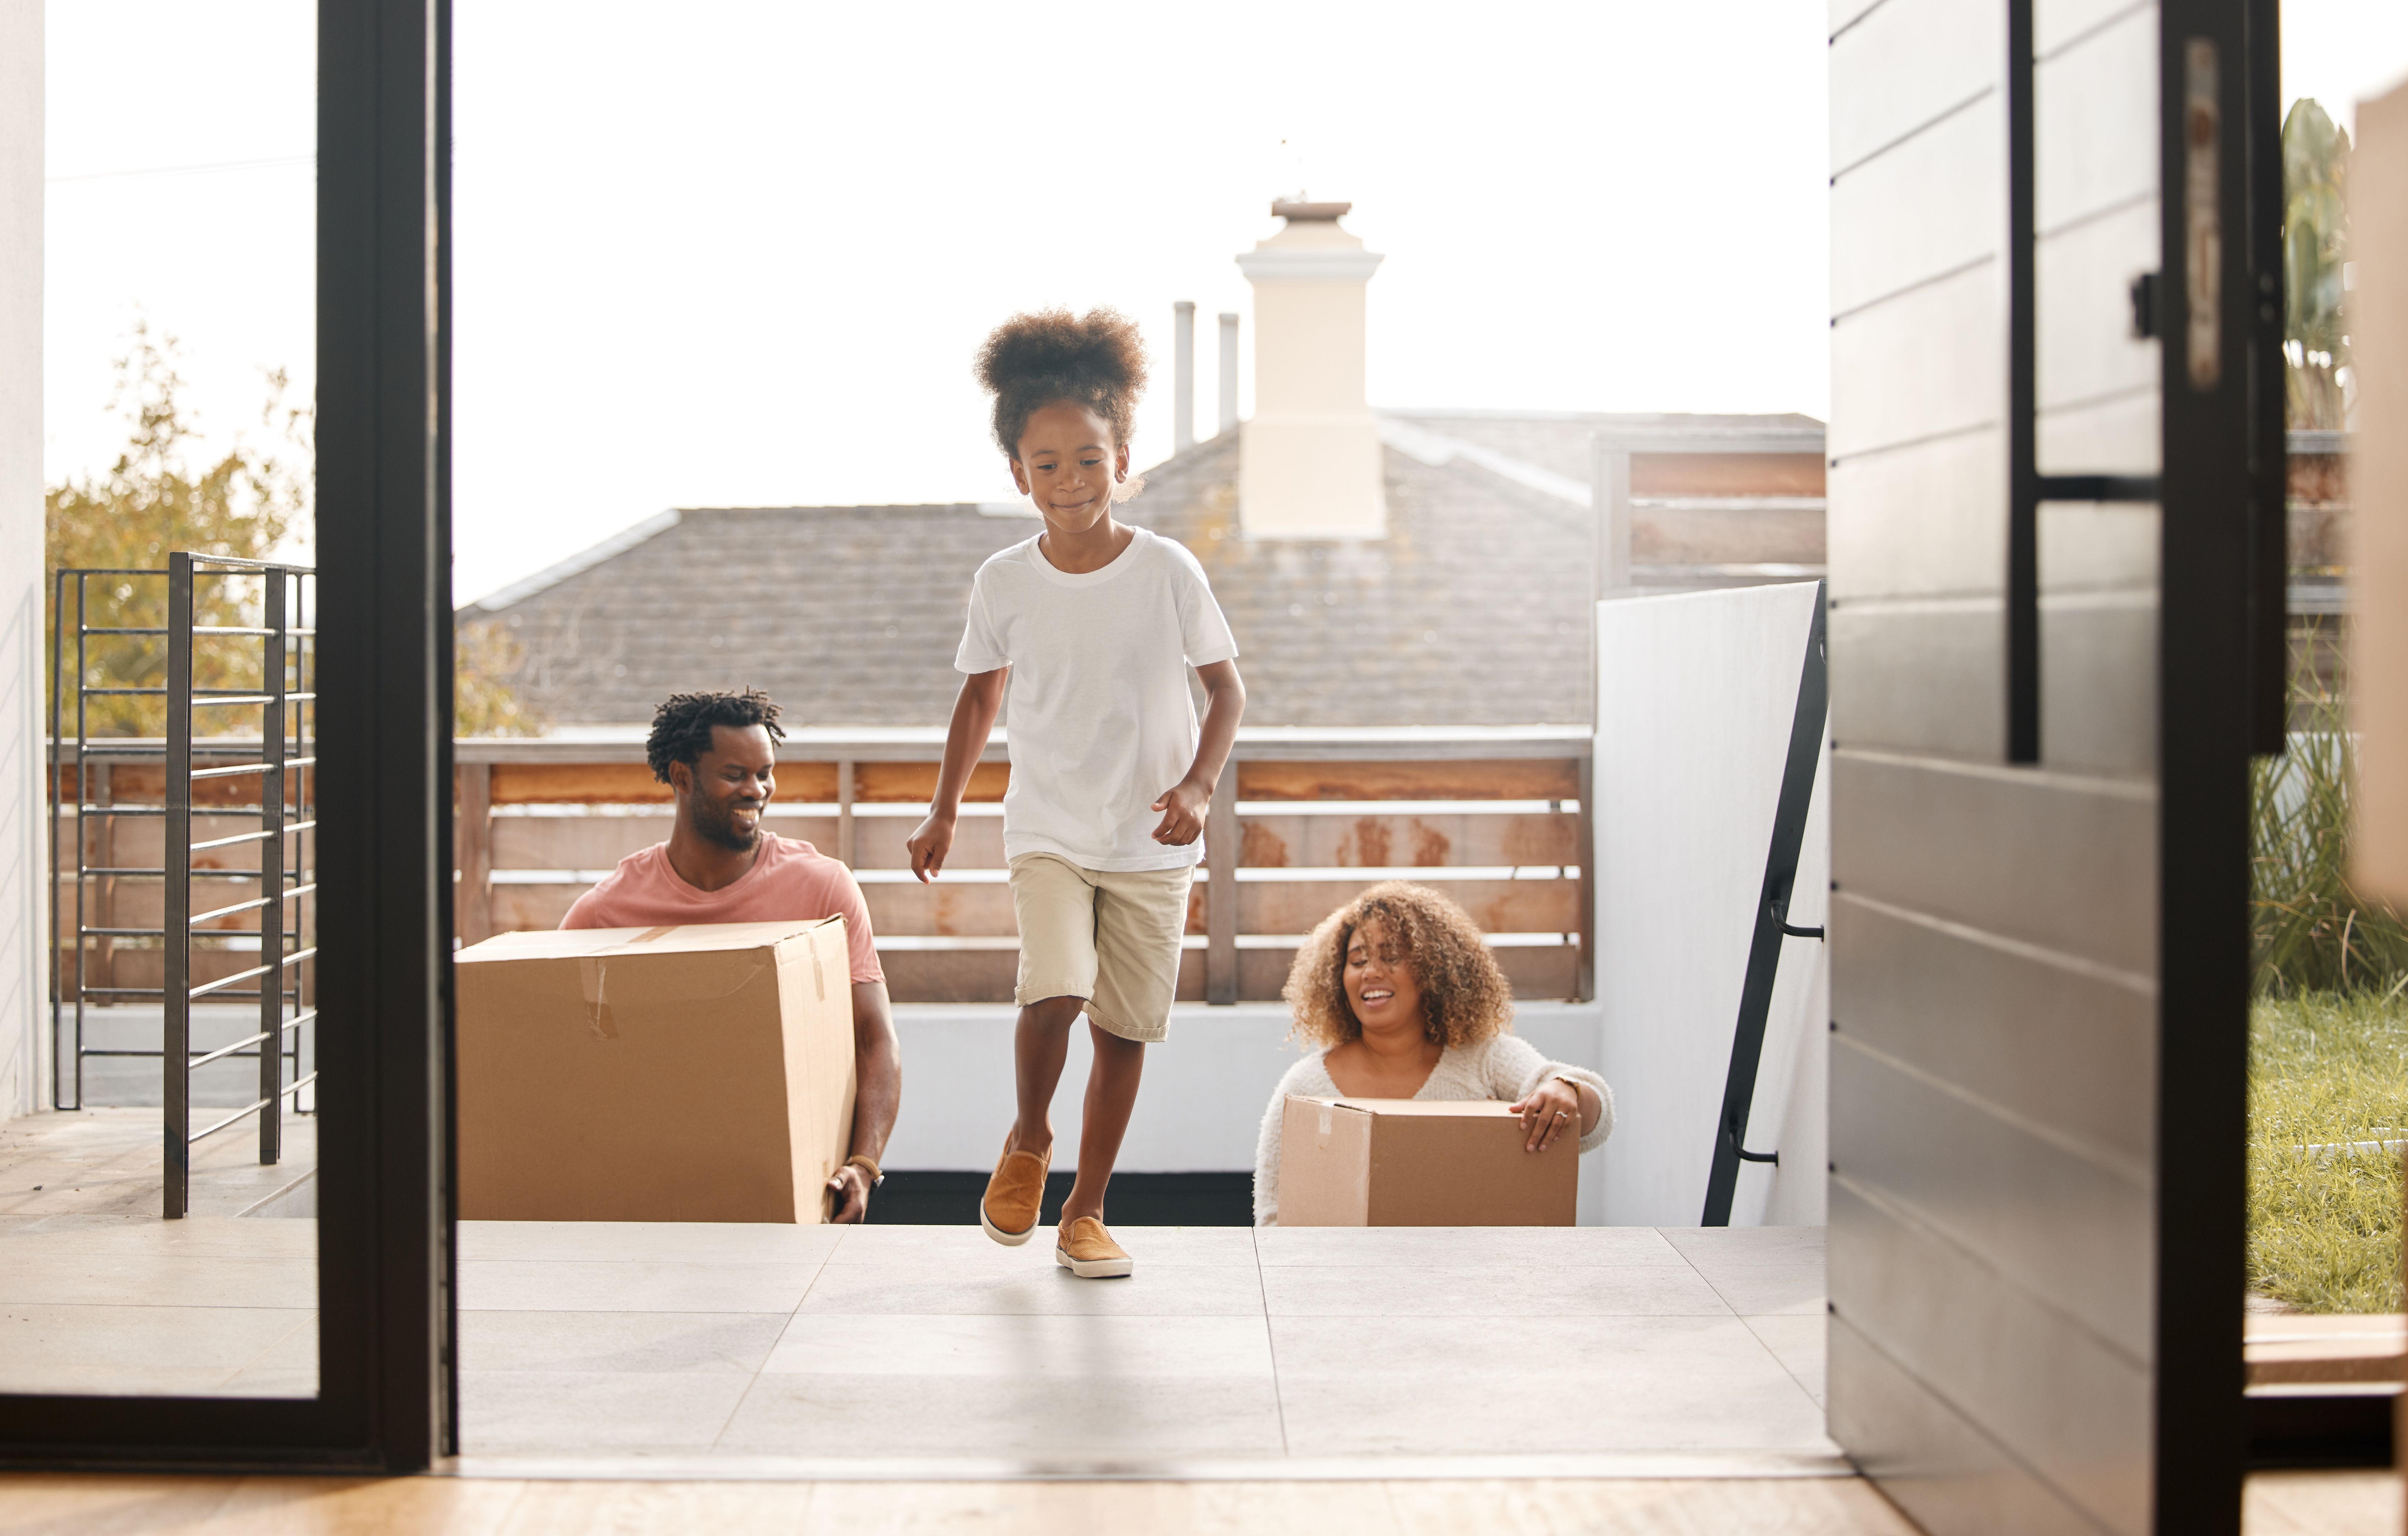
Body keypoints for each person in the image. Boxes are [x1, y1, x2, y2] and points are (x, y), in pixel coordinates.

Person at [906, 308, 1246, 1280]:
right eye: (1045, 464)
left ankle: (1086, 1213)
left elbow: (1226, 689)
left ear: (1122, 460)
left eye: (1087, 461)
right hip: (1048, 827)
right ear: (1017, 473)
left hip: (1150, 838)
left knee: (1124, 1030)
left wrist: (1196, 785)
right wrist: (943, 809)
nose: (1068, 482)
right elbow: (978, 700)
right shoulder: (1003, 581)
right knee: (1052, 990)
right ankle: (1026, 1142)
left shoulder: (1167, 570)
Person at [562, 688, 901, 1224]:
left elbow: (875, 1038)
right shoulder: (606, 913)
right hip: (653, 1201)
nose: (758, 790)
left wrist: (864, 1165)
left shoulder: (823, 890)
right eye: (736, 774)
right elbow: (561, 1057)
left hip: (793, 1198)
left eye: (765, 773)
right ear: (681, 776)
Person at [1252, 881, 1614, 1226]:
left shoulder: (1484, 1060)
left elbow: (1594, 1122)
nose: (1372, 972)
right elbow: (1273, 1216)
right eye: (1358, 961)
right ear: (1337, 977)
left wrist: (1567, 1090)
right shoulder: (1305, 1087)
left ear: (1432, 970)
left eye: (1391, 956)